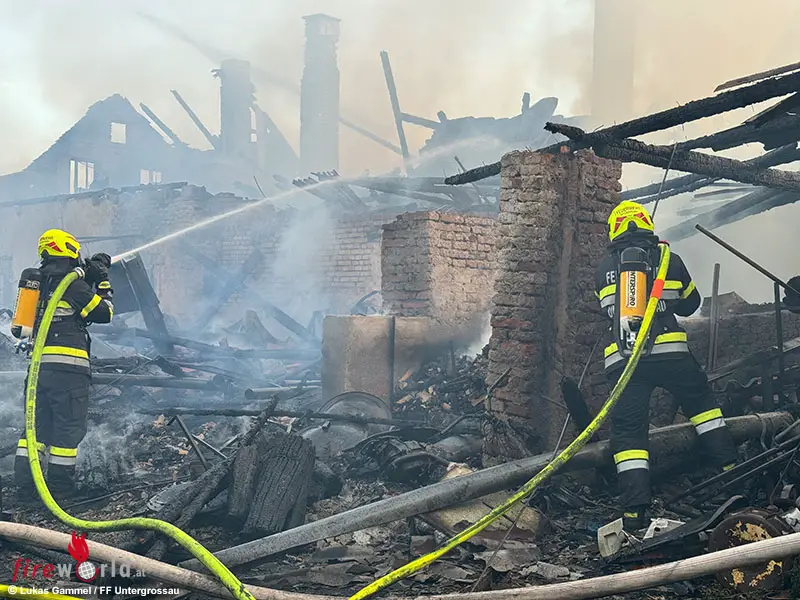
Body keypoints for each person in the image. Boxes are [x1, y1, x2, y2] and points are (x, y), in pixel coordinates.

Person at [594, 201, 738, 530]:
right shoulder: (669, 259)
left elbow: (606, 311)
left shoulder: (603, 269)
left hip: (625, 362)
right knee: (704, 409)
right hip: (671, 354)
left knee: (629, 435)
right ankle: (733, 474)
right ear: (646, 224)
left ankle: (634, 513)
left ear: (614, 230)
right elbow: (690, 305)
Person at [14, 229, 113, 500]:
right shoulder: (73, 286)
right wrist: (103, 281)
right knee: (68, 430)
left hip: (39, 371)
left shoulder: (37, 284)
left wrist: (86, 275)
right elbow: (105, 313)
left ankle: (25, 488)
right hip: (69, 371)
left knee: (35, 428)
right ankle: (60, 491)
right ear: (68, 249)